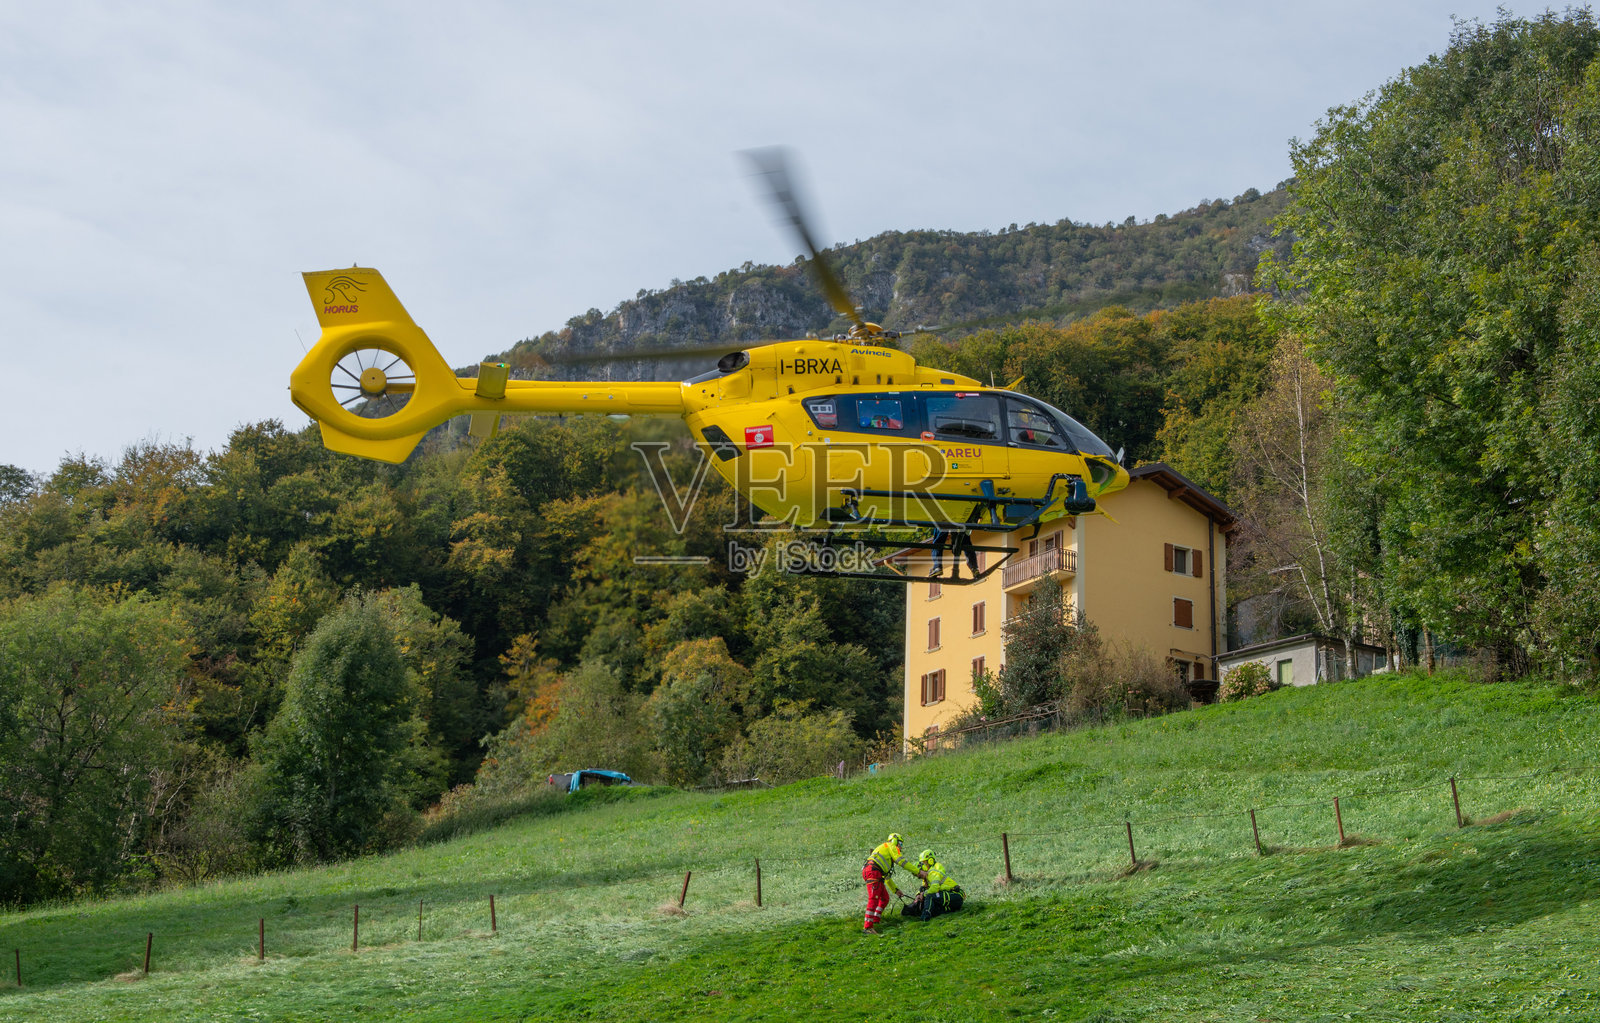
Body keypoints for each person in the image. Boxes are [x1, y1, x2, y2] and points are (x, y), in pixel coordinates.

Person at [862, 832, 920, 934]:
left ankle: (875, 920)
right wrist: (918, 872)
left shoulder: (884, 850)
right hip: (873, 872)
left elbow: (887, 877)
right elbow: (901, 861)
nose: (901, 848)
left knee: (885, 898)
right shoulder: (891, 846)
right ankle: (868, 927)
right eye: (900, 844)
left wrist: (896, 890)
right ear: (894, 840)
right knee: (873, 899)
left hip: (874, 872)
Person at [901, 849, 964, 922]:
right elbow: (924, 888)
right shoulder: (926, 878)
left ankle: (925, 917)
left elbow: (934, 888)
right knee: (929, 901)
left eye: (918, 873)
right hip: (951, 898)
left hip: (956, 895)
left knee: (929, 896)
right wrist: (918, 895)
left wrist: (923, 894)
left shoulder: (932, 873)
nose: (918, 876)